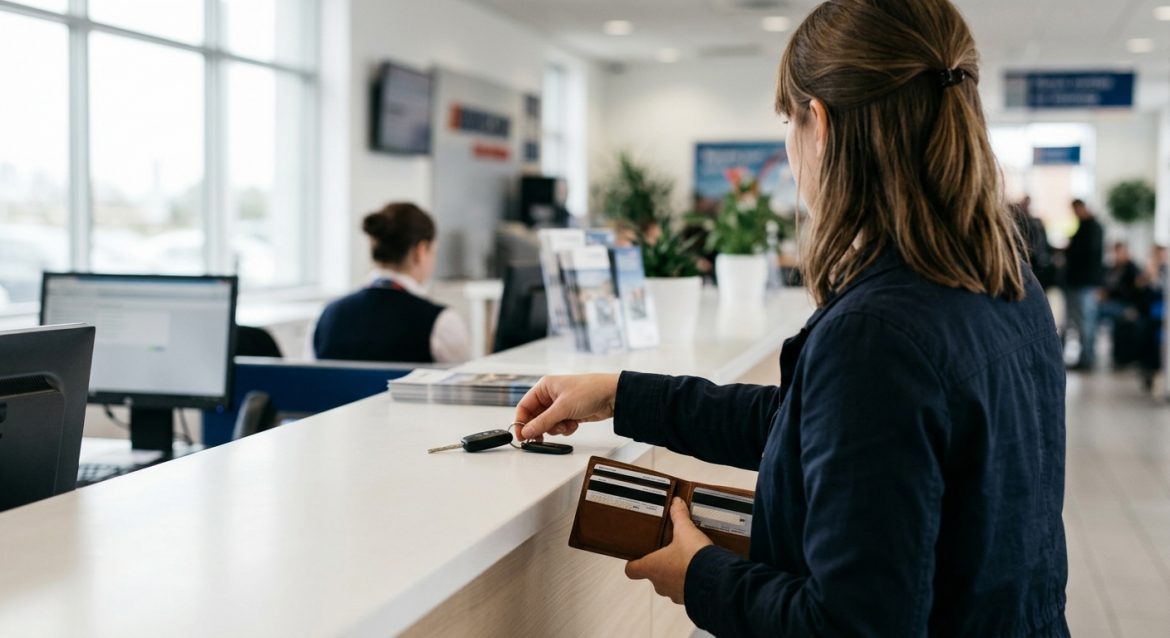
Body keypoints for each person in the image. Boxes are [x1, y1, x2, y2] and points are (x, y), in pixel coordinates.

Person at [513, 1, 1068, 636]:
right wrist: (621, 394)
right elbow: (814, 428)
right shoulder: (1004, 280)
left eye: (788, 119)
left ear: (821, 125)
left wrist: (702, 575)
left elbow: (850, 626)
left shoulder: (877, 335)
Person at [313, 202, 470, 363]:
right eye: (433, 251)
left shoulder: (328, 314)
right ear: (420, 251)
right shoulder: (441, 322)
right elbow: (460, 384)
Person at [1063, 199, 1105, 370]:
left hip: (1085, 282)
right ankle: (1085, 356)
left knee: (1085, 320)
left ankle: (1087, 358)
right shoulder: (1086, 226)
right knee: (1082, 320)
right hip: (1079, 281)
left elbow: (1086, 254)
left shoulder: (1092, 228)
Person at [1099, 242, 1143, 367]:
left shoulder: (1132, 269)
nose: (1117, 255)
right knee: (1093, 313)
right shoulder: (1112, 269)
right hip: (1111, 304)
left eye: (1120, 252)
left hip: (1125, 306)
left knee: (1094, 313)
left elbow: (1134, 291)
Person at [1012, 195, 1056, 288]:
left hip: (1036, 263)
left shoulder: (1034, 222)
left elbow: (1043, 244)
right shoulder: (1023, 223)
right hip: (1032, 263)